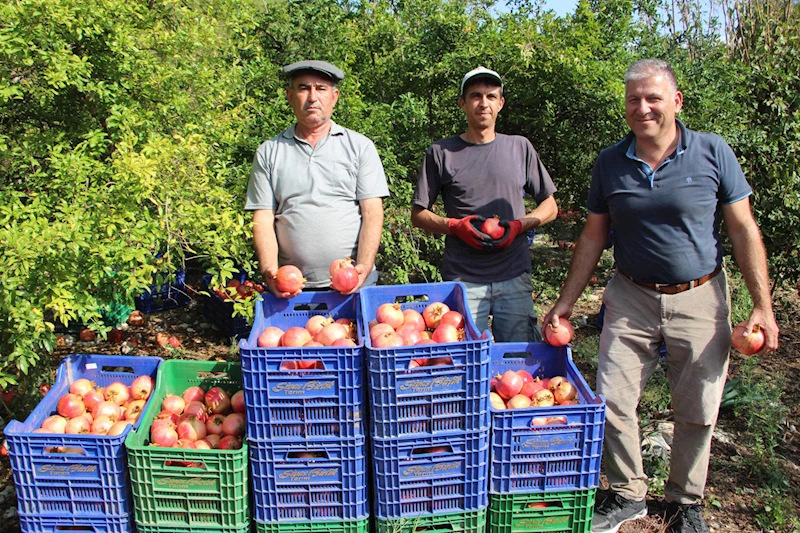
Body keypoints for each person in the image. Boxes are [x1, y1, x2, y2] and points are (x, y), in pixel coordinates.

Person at [542, 59, 779, 533]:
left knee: (698, 405)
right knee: (610, 396)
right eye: (634, 99)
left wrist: (762, 305)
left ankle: (684, 501)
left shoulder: (712, 152)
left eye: (653, 98)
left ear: (676, 101)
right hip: (629, 295)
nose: (643, 107)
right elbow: (592, 237)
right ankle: (628, 492)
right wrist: (566, 301)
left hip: (700, 296)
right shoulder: (611, 162)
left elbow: (743, 229)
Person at [411, 67, 558, 342]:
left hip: (514, 276)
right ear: (463, 103)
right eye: (475, 96)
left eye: (491, 96)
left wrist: (518, 226)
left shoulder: (519, 147)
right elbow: (418, 214)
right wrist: (455, 226)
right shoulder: (441, 152)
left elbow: (550, 206)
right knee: (464, 359)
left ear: (500, 103)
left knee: (517, 361)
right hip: (463, 280)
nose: (483, 103)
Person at [245, 60, 389, 297]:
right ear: (290, 97)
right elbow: (262, 216)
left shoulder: (360, 147)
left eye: (321, 89)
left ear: (334, 97)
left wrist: (363, 265)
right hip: (293, 289)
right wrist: (269, 270)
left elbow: (372, 212)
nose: (312, 97)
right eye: (303, 88)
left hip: (354, 284)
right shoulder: (269, 152)